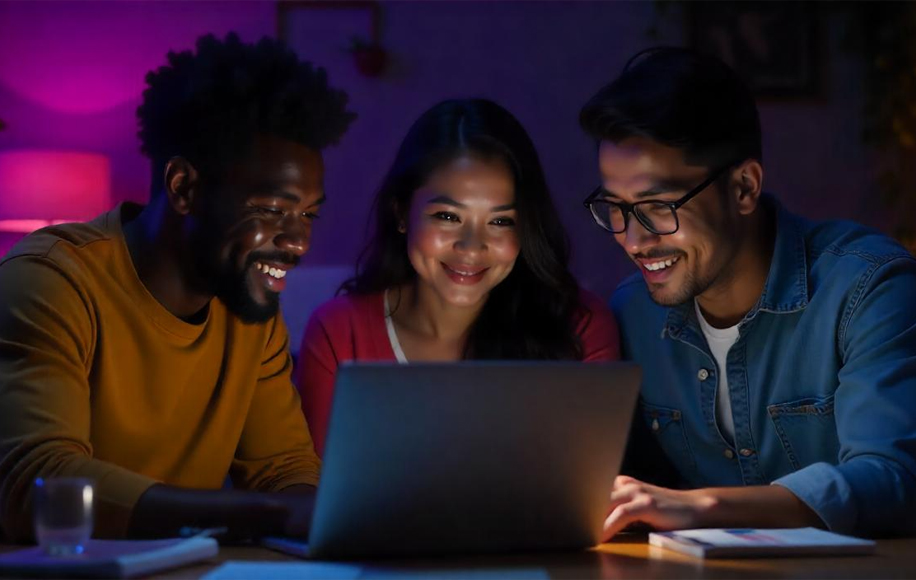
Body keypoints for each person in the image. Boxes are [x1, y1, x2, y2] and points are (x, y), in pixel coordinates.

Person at [0, 33, 355, 541]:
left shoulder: (250, 308)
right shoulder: (50, 279)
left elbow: (283, 471)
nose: (298, 241)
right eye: (272, 210)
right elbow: (38, 481)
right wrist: (261, 515)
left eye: (308, 215)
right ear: (184, 188)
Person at [579, 47, 916, 539]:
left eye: (657, 206)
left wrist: (701, 506)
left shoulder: (869, 288)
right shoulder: (631, 314)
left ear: (743, 187)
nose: (633, 240)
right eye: (615, 207)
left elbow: (895, 482)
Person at [298, 99, 619, 456]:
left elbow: (589, 495)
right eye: (448, 217)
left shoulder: (579, 327)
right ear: (402, 212)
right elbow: (315, 493)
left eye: (500, 221)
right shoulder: (339, 333)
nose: (471, 247)